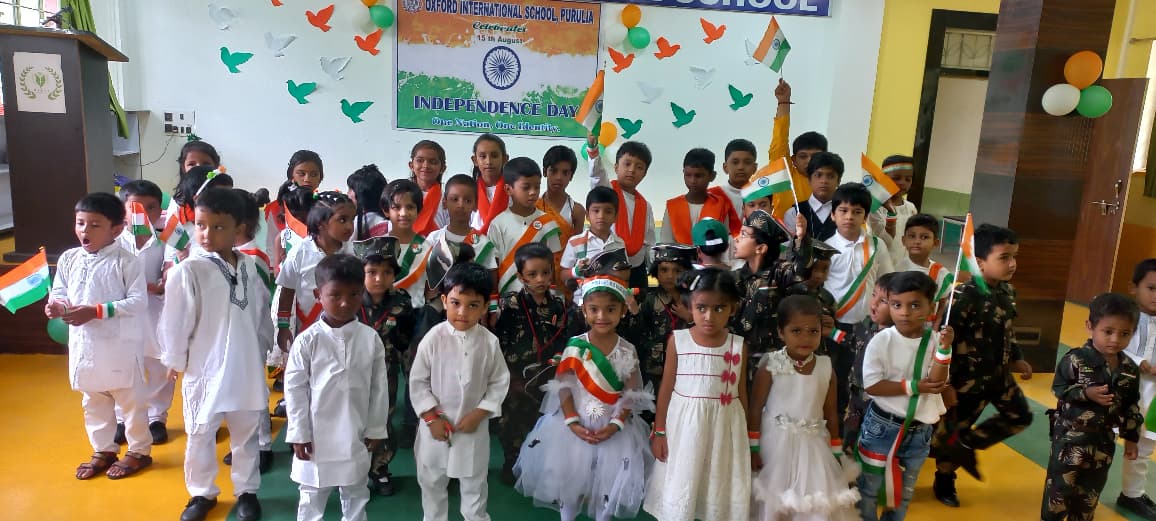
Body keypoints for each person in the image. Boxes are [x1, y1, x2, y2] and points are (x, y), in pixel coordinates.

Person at [159, 188, 272, 521]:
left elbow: (260, 311)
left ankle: (247, 490)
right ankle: (202, 492)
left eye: (218, 227)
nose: (207, 234)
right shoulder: (189, 271)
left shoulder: (249, 266)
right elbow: (175, 320)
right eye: (201, 225)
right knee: (200, 431)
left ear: (239, 228)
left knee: (246, 432)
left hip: (245, 364)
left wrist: (266, 346)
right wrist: (174, 359)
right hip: (205, 366)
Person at [514, 273, 654, 521]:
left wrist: (615, 424)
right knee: (570, 482)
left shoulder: (627, 349)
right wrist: (572, 422)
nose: (602, 316)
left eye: (610, 309)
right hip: (572, 427)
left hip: (614, 429)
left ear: (622, 311)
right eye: (594, 309)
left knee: (606, 485)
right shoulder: (575, 345)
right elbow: (563, 387)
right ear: (584, 311)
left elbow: (631, 393)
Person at [47, 192, 151, 480]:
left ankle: (139, 450)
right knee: (93, 401)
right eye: (80, 223)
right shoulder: (69, 259)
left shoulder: (126, 261)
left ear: (116, 230)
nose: (85, 230)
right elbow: (61, 291)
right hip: (85, 346)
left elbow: (138, 302)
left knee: (131, 403)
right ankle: (104, 449)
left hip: (119, 347)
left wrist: (95, 311)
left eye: (95, 225)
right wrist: (57, 305)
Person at [931, 224, 1033, 507]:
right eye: (1004, 257)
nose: (1012, 264)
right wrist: (946, 385)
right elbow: (942, 343)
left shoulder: (1008, 291)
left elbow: (1007, 329)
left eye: (1014, 256)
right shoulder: (963, 296)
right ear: (980, 262)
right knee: (954, 429)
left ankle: (966, 446)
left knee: (1020, 416)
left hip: (999, 376)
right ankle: (945, 479)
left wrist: (1017, 357)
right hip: (966, 381)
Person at [285, 253, 389, 521]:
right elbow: (295, 390)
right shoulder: (307, 341)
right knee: (312, 495)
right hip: (315, 436)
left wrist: (376, 427)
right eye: (335, 295)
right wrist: (299, 432)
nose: (345, 303)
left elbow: (379, 387)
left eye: (354, 295)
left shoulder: (370, 338)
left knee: (356, 491)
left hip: (355, 430)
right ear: (318, 294)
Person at [645, 268, 752, 521]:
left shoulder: (738, 345)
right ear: (689, 306)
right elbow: (666, 388)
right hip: (685, 430)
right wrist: (659, 432)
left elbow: (741, 393)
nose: (709, 316)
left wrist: (746, 435)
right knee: (684, 480)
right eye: (701, 308)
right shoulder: (678, 341)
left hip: (724, 430)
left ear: (732, 308)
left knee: (716, 484)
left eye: (719, 308)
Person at [409, 262, 511, 521]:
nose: (463, 312)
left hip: (472, 428)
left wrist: (480, 413)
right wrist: (431, 418)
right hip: (435, 427)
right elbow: (418, 382)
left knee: (474, 486)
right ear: (444, 301)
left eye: (473, 305)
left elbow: (499, 382)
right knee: (432, 484)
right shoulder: (433, 338)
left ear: (485, 307)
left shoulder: (489, 342)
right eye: (456, 303)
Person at [750, 296, 860, 520]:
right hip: (775, 444)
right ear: (781, 332)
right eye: (796, 331)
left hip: (814, 445)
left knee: (815, 500)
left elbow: (831, 413)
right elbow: (755, 408)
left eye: (813, 331)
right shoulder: (771, 364)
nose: (805, 338)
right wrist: (753, 448)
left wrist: (836, 450)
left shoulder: (825, 367)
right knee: (776, 498)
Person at [856, 271, 953, 521]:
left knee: (902, 496)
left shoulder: (934, 341)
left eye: (915, 305)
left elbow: (937, 382)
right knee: (869, 491)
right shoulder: (881, 341)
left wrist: (944, 350)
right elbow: (872, 386)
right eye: (897, 305)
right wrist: (914, 387)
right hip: (881, 427)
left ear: (931, 307)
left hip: (919, 432)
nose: (905, 313)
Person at [1043, 292, 1143, 521]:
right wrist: (1085, 393)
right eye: (1108, 331)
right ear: (1090, 327)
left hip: (1103, 442)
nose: (1115, 340)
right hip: (1070, 440)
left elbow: (1131, 406)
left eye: (1124, 333)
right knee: (1059, 494)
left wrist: (1131, 438)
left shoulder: (1129, 369)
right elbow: (1059, 388)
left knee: (1089, 496)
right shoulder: (1076, 359)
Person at [493, 243, 569, 485]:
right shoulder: (510, 303)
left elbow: (563, 338)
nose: (540, 279)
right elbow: (500, 338)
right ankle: (511, 460)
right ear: (520, 276)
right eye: (532, 274)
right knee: (511, 420)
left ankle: (537, 462)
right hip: (516, 374)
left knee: (543, 420)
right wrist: (505, 373)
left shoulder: (558, 305)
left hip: (546, 374)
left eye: (546, 273)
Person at [350, 236, 415, 497]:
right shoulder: (350, 300)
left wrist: (408, 370)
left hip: (386, 373)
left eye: (387, 272)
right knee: (352, 419)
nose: (379, 278)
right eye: (372, 272)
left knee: (382, 418)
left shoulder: (402, 302)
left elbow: (405, 339)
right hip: (351, 372)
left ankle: (379, 468)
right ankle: (351, 470)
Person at [824, 183, 894, 419]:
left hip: (866, 327)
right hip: (834, 326)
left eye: (857, 212)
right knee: (834, 376)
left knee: (862, 378)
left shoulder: (876, 246)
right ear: (833, 215)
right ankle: (834, 422)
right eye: (843, 211)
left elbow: (886, 283)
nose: (849, 217)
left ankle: (855, 424)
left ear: (865, 217)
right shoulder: (825, 248)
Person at [115, 180, 172, 445]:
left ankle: (156, 418)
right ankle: (122, 419)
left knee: (159, 366)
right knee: (123, 367)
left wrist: (162, 284)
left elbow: (171, 270)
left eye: (151, 207)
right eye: (136, 207)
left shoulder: (167, 240)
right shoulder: (114, 242)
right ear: (123, 211)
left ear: (160, 210)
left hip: (155, 312)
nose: (144, 213)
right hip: (123, 315)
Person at [275, 191, 356, 353]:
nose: (349, 226)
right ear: (321, 223)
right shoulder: (300, 252)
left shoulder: (352, 253)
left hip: (344, 332)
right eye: (342, 220)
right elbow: (287, 290)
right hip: (308, 330)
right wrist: (283, 326)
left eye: (352, 220)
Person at [731, 210, 809, 367]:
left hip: (774, 357)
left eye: (744, 234)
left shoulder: (778, 273)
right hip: (739, 356)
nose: (736, 239)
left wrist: (801, 238)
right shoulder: (735, 278)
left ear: (760, 248)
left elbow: (799, 271)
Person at [487, 157, 563, 296]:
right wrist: (493, 301)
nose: (533, 192)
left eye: (537, 186)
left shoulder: (548, 222)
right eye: (526, 187)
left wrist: (552, 296)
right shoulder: (498, 224)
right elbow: (493, 265)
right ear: (508, 189)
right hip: (508, 297)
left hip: (540, 297)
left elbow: (553, 264)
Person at [623, 243, 694, 389]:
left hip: (687, 366)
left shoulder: (693, 300)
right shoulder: (650, 299)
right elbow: (639, 335)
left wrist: (690, 318)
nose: (670, 276)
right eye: (664, 270)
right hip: (655, 368)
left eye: (677, 271)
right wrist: (635, 313)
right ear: (656, 271)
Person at [589, 138, 655, 289]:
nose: (632, 170)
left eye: (639, 167)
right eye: (627, 164)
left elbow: (649, 242)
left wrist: (655, 268)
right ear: (616, 167)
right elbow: (597, 174)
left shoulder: (646, 206)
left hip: (637, 270)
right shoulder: (607, 192)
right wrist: (593, 150)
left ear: (644, 174)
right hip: (609, 268)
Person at [842, 272, 897, 451]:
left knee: (870, 447)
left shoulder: (896, 339)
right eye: (874, 295)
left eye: (883, 301)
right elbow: (851, 342)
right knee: (848, 441)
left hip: (878, 407)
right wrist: (831, 332)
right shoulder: (865, 326)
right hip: (855, 400)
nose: (874, 303)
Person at [1120, 258, 1156, 518]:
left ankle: (1131, 494)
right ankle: (1079, 490)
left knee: (1143, 446)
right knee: (1100, 441)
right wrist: (1136, 360)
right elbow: (1104, 344)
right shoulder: (1122, 317)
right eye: (1152, 288)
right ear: (1134, 288)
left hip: (1152, 394)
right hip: (1119, 389)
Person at [425, 174, 499, 291]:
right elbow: (426, 281)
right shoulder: (434, 239)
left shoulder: (483, 242)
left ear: (476, 205)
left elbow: (492, 285)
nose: (461, 205)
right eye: (455, 199)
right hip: (440, 300)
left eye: (467, 201)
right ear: (444, 203)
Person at [768, 79, 827, 219]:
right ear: (794, 160)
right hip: (781, 233)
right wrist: (783, 102)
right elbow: (779, 142)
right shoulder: (786, 177)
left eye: (815, 156)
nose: (809, 160)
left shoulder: (830, 186)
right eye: (803, 156)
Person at [661, 148, 740, 246]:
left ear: (712, 176)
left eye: (698, 176)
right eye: (688, 175)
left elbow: (724, 241)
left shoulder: (721, 206)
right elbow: (666, 243)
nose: (692, 181)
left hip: (712, 255)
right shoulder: (673, 207)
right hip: (678, 256)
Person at [560, 186, 623, 304]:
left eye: (608, 211)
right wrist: (576, 271)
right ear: (587, 215)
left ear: (616, 217)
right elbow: (563, 275)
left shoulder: (619, 244)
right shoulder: (575, 242)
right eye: (596, 210)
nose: (601, 216)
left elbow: (624, 274)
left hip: (611, 303)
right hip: (582, 303)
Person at [893, 214, 951, 318]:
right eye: (912, 236)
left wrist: (936, 326)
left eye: (924, 237)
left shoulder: (941, 273)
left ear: (935, 243)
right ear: (903, 240)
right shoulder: (895, 270)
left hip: (927, 326)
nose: (917, 241)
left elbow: (942, 305)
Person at [866, 156, 918, 265]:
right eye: (896, 178)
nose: (902, 182)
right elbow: (884, 242)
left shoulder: (911, 208)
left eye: (908, 179)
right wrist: (891, 213)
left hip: (903, 266)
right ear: (883, 179)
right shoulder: (875, 208)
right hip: (880, 265)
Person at [783, 152, 842, 242]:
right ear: (809, 180)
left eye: (830, 176)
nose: (824, 181)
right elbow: (788, 249)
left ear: (838, 181)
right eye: (818, 175)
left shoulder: (848, 212)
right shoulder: (794, 213)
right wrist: (800, 236)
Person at [165, 140, 221, 224]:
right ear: (183, 167)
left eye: (206, 163)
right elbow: (171, 228)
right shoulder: (177, 203)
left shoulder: (224, 196)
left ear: (216, 166)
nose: (198, 167)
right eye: (191, 164)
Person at [539, 145, 586, 242]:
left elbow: (578, 247)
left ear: (571, 176)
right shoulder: (533, 206)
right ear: (544, 172)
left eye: (565, 173)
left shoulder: (577, 211)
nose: (559, 177)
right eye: (554, 171)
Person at [709, 138, 759, 220]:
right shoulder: (712, 196)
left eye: (747, 162)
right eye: (735, 162)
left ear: (755, 168)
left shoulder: (762, 195)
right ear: (725, 167)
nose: (741, 167)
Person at [409, 140, 450, 236]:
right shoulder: (401, 195)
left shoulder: (447, 199)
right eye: (420, 160)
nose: (426, 166)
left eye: (433, 162)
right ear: (411, 165)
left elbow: (451, 230)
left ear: (442, 168)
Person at [473, 133, 511, 233]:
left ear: (505, 159)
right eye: (483, 156)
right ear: (475, 160)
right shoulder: (469, 191)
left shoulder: (513, 191)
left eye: (494, 156)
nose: (488, 161)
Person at [347, 164, 390, 240]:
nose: (347, 194)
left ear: (359, 194)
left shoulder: (355, 224)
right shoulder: (391, 224)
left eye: (350, 189)